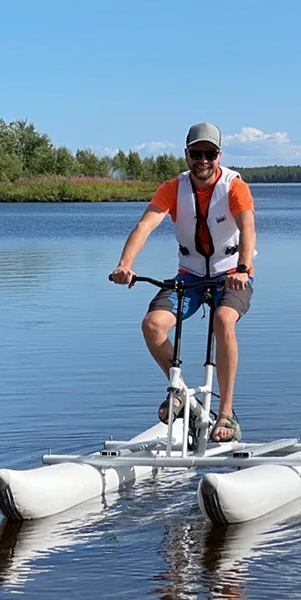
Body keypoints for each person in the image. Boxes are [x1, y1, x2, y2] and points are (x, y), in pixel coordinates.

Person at [110, 122, 256, 444]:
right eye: (196, 154)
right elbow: (144, 226)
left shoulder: (234, 186)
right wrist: (125, 265)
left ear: (218, 155)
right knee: (152, 325)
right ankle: (180, 393)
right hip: (188, 277)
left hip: (230, 276)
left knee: (223, 320)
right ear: (186, 154)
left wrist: (243, 269)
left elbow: (247, 228)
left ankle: (227, 412)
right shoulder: (171, 189)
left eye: (209, 154)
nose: (202, 161)